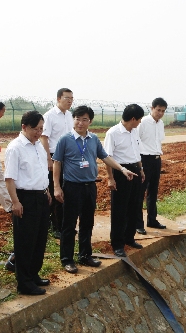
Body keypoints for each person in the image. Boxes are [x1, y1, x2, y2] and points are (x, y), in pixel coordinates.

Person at [53, 106, 137, 272]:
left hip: (89, 186)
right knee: (69, 225)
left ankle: (85, 255)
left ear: (90, 121)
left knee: (87, 223)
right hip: (72, 187)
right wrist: (56, 187)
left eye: (84, 119)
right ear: (73, 120)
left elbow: (105, 157)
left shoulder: (93, 140)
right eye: (77, 118)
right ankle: (67, 259)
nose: (80, 123)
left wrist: (122, 169)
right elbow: (57, 163)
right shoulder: (65, 140)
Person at [4, 111, 52, 295]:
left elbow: (40, 172)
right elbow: (9, 179)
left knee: (39, 239)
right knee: (25, 242)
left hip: (41, 196)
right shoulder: (15, 148)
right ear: (24, 127)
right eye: (35, 129)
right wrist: (15, 202)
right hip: (25, 198)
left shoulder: (38, 145)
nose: (39, 132)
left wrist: (46, 190)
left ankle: (33, 275)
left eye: (41, 129)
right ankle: (24, 282)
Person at [104, 104, 145, 257]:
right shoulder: (113, 133)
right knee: (120, 209)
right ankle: (117, 243)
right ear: (133, 119)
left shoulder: (134, 132)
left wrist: (140, 170)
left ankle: (129, 238)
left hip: (134, 170)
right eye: (139, 119)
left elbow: (137, 152)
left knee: (134, 206)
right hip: (121, 172)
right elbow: (107, 157)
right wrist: (111, 178)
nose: (140, 122)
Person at [40, 88, 74, 239]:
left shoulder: (70, 116)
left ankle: (65, 225)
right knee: (56, 190)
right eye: (67, 98)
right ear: (58, 99)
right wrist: (48, 159)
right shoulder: (50, 116)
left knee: (67, 190)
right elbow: (44, 138)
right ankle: (55, 226)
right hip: (54, 157)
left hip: (69, 157)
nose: (70, 101)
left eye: (72, 98)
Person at [136, 98, 168, 234]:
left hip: (156, 159)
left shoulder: (160, 124)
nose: (160, 113)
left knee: (153, 191)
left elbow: (158, 141)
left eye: (163, 111)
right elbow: (135, 141)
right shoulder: (142, 123)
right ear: (152, 108)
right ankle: (138, 224)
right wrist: (139, 163)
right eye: (158, 110)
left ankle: (152, 220)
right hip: (144, 159)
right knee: (140, 192)